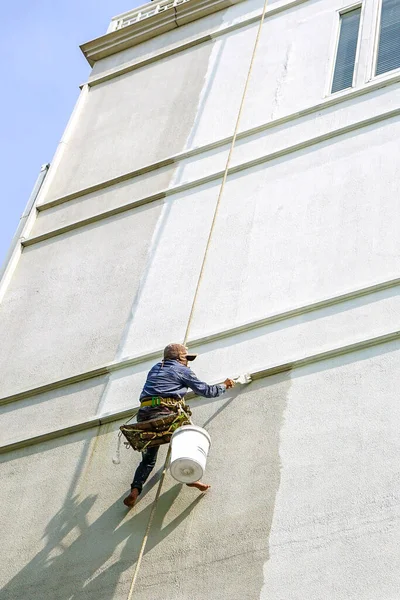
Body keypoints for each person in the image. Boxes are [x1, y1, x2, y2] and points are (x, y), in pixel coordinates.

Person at [123, 343, 235, 507]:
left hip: (144, 416)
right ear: (180, 358)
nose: (188, 362)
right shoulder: (182, 370)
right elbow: (207, 391)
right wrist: (224, 385)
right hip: (164, 412)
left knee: (148, 459)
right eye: (186, 359)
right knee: (188, 438)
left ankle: (134, 490)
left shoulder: (155, 368)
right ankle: (190, 478)